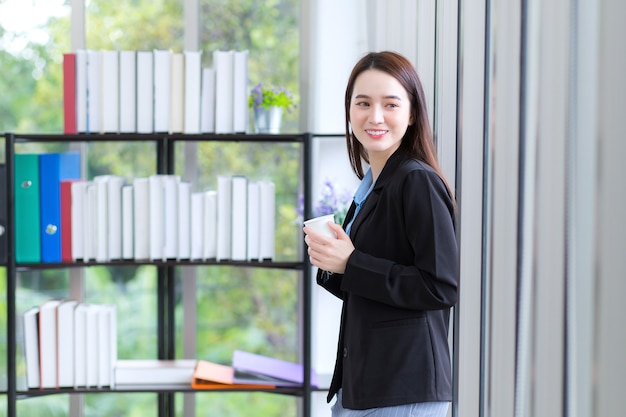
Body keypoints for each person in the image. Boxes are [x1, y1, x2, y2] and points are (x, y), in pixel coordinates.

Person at [303, 51, 458, 417]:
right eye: (363, 103)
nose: (375, 117)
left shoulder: (416, 180)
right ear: (349, 111)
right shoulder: (372, 184)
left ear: (412, 113)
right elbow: (370, 287)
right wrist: (334, 262)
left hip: (402, 388)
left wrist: (352, 262)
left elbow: (440, 286)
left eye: (390, 104)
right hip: (367, 385)